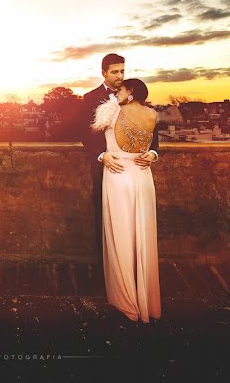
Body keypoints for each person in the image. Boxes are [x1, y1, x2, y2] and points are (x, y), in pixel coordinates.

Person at [80, 54, 159, 282]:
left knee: (136, 225)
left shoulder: (142, 106)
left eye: (122, 71)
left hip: (136, 171)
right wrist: (101, 155)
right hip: (105, 169)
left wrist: (152, 153)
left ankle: (133, 273)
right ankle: (109, 276)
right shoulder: (90, 98)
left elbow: (152, 134)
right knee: (106, 224)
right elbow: (86, 133)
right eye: (115, 72)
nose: (119, 76)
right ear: (104, 73)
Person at [91, 77, 162, 322]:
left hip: (117, 175)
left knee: (120, 233)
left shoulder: (110, 111)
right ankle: (145, 300)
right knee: (142, 236)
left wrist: (105, 155)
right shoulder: (152, 114)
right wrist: (152, 154)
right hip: (142, 176)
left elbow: (90, 135)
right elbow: (152, 143)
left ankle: (126, 299)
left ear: (130, 92)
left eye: (120, 89)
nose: (116, 92)